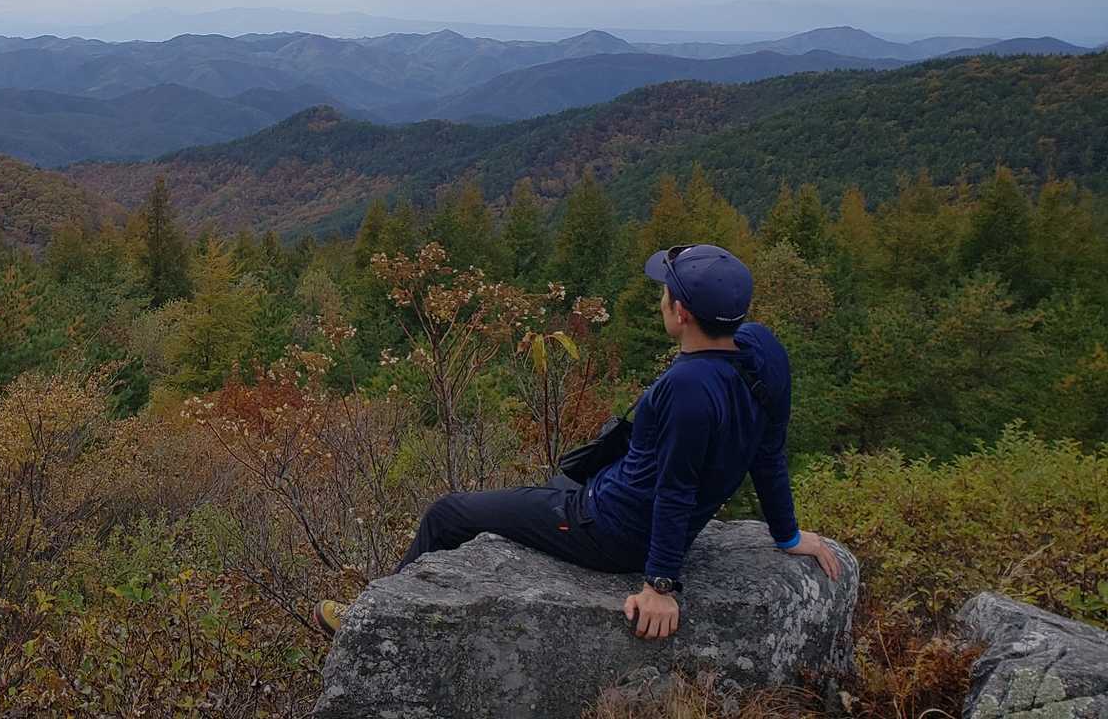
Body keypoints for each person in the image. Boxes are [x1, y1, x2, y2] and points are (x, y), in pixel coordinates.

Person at [313, 243, 842, 640]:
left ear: (680, 312)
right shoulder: (763, 350)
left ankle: (368, 624)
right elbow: (768, 452)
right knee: (543, 490)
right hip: (619, 502)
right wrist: (787, 535)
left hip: (609, 529)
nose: (660, 297)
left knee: (448, 514)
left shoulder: (687, 386)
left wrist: (660, 586)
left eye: (665, 291)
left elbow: (676, 488)